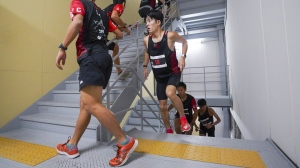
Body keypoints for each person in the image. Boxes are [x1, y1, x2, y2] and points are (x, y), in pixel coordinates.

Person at [55, 0, 138, 166]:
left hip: (91, 56)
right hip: (103, 57)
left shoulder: (78, 3)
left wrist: (62, 47)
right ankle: (72, 146)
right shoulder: (102, 13)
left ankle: (124, 141)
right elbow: (119, 35)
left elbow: (78, 22)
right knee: (85, 105)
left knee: (91, 104)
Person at [143, 10, 190, 133]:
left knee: (170, 93)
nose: (147, 24)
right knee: (163, 106)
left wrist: (183, 56)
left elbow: (185, 42)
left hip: (173, 72)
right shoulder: (146, 40)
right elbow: (147, 51)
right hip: (160, 77)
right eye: (146, 22)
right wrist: (144, 66)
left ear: (158, 22)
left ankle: (183, 118)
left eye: (149, 21)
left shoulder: (170, 35)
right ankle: (168, 129)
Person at [104, 0, 130, 80]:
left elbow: (115, 28)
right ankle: (118, 72)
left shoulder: (108, 12)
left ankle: (119, 72)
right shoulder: (119, 6)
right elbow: (114, 16)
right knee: (115, 46)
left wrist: (127, 27)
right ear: (123, 3)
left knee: (115, 47)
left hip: (98, 34)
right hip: (99, 36)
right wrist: (125, 27)